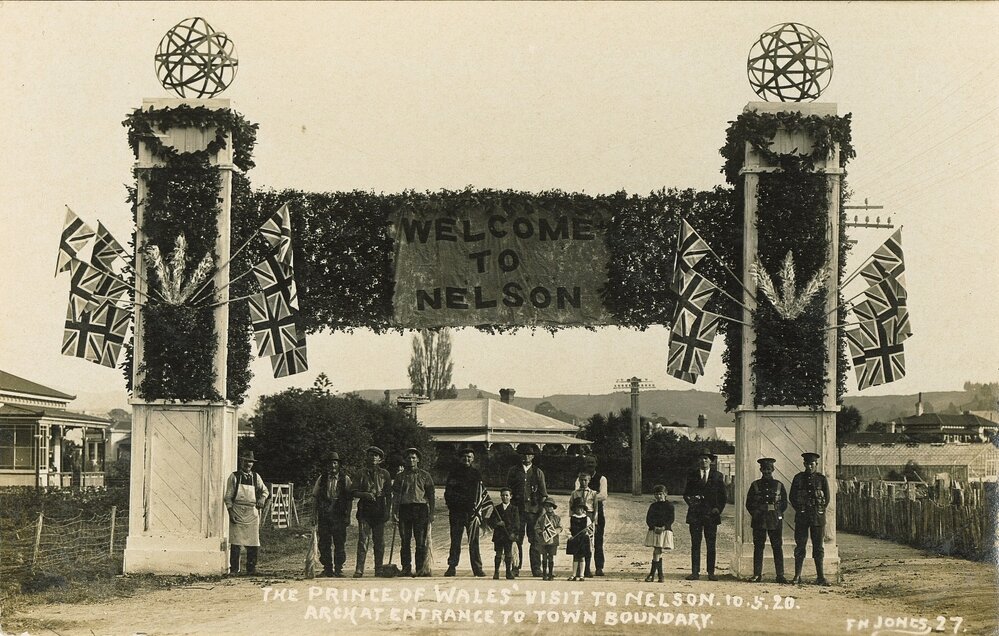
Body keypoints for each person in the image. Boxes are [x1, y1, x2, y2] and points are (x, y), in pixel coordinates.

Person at [682, 450, 726, 581]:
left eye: (706, 458)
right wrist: (692, 502)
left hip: (711, 515)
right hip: (695, 514)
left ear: (711, 461)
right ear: (698, 461)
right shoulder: (692, 475)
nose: (703, 461)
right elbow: (686, 494)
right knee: (695, 544)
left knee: (711, 544)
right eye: (701, 459)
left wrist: (718, 509)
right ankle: (695, 572)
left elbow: (723, 496)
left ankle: (711, 572)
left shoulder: (717, 476)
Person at [224, 450, 269, 576]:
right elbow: (228, 497)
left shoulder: (256, 477)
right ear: (241, 461)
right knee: (236, 541)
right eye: (245, 461)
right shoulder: (234, 477)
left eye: (250, 462)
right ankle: (234, 569)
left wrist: (262, 498)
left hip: (252, 512)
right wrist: (230, 511)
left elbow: (265, 491)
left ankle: (251, 568)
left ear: (252, 464)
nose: (248, 464)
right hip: (237, 511)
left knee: (253, 541)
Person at [790, 451, 831, 586]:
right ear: (804, 464)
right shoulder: (798, 478)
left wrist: (818, 509)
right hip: (802, 516)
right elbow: (792, 497)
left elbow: (827, 499)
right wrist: (800, 509)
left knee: (818, 547)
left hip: (817, 517)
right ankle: (797, 576)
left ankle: (820, 576)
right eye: (807, 464)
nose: (809, 467)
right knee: (800, 545)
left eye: (812, 464)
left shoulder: (821, 479)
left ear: (816, 464)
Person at [506, 443, 547, 577]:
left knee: (535, 540)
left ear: (533, 456)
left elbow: (543, 494)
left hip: (533, 512)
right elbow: (508, 491)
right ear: (520, 456)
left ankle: (536, 568)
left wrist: (542, 511)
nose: (526, 457)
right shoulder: (513, 471)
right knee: (516, 539)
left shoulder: (538, 472)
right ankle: (515, 567)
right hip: (517, 511)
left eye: (529, 454)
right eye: (524, 454)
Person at [444, 447, 486, 577]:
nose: (467, 459)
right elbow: (448, 493)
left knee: (474, 541)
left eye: (469, 457)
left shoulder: (476, 474)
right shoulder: (454, 473)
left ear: (473, 459)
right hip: (457, 512)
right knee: (455, 541)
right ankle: (452, 566)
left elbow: (480, 494)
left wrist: (477, 510)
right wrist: (454, 506)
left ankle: (477, 568)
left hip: (472, 513)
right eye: (465, 457)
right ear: (460, 458)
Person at [393, 447, 435, 577]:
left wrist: (432, 513)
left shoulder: (425, 475)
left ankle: (420, 568)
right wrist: (394, 512)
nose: (411, 460)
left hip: (421, 509)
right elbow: (396, 496)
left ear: (418, 460)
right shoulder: (400, 477)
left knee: (420, 541)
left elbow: (431, 495)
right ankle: (406, 568)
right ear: (405, 460)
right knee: (405, 540)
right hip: (404, 509)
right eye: (408, 458)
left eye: (413, 458)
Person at [746, 457, 788, 584]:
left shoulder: (779, 485)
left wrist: (777, 513)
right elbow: (749, 504)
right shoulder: (755, 485)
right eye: (764, 469)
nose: (767, 472)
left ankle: (780, 575)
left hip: (774, 520)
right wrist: (756, 513)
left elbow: (784, 503)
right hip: (759, 519)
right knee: (758, 547)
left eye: (769, 469)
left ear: (773, 469)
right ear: (761, 470)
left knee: (777, 547)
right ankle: (757, 574)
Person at [311, 451, 353, 578]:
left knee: (339, 542)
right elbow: (315, 497)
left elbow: (350, 499)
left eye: (334, 463)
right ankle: (327, 568)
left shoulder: (345, 479)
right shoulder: (322, 479)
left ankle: (338, 568)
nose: (332, 466)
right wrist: (314, 515)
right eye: (330, 463)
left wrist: (348, 515)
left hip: (339, 516)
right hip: (324, 515)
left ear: (338, 465)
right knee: (324, 542)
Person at [352, 445, 392, 578]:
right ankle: (359, 569)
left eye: (376, 455)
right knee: (363, 540)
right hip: (365, 509)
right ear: (367, 457)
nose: (373, 457)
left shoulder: (384, 474)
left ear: (380, 459)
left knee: (379, 541)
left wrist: (388, 511)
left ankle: (379, 569)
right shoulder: (360, 473)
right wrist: (365, 494)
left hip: (380, 509)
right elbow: (353, 491)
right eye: (371, 455)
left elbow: (388, 495)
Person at [582, 455, 609, 576]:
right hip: (583, 514)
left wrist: (587, 496)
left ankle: (599, 567)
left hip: (598, 513)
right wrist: (594, 495)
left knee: (598, 540)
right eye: (588, 462)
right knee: (585, 540)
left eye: (592, 462)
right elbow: (578, 494)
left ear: (596, 464)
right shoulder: (580, 478)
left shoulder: (602, 478)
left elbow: (603, 495)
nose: (590, 465)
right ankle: (586, 567)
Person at [644, 484, 675, 583]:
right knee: (657, 551)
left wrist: (663, 527)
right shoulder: (653, 506)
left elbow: (671, 519)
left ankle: (653, 574)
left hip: (664, 530)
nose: (658, 496)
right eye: (656, 494)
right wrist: (653, 527)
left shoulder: (669, 505)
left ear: (665, 494)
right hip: (655, 530)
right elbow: (649, 518)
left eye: (660, 494)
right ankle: (660, 575)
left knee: (657, 551)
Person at [490, 487, 520, 580]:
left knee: (508, 554)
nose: (505, 497)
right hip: (499, 536)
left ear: (511, 496)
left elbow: (517, 523)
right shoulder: (497, 509)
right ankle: (496, 572)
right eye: (503, 495)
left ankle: (508, 572)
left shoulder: (514, 509)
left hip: (508, 535)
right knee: (498, 554)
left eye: (507, 495)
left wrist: (514, 534)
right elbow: (490, 521)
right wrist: (497, 523)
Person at [565, 500, 593, 581]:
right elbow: (567, 528)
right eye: (577, 508)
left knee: (582, 557)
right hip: (575, 539)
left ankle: (581, 575)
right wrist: (569, 536)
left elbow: (591, 529)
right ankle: (574, 575)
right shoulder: (572, 518)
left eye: (580, 508)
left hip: (583, 540)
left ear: (583, 509)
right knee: (575, 557)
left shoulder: (587, 518)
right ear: (574, 509)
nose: (579, 510)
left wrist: (587, 532)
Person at [535, 497, 562, 581]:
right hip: (544, 540)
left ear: (553, 507)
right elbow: (537, 527)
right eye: (546, 506)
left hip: (553, 540)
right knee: (544, 557)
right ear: (544, 507)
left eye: (550, 506)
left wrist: (556, 531)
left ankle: (550, 573)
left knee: (551, 557)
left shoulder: (557, 518)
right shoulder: (541, 518)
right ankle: (544, 574)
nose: (549, 508)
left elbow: (560, 527)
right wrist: (540, 532)